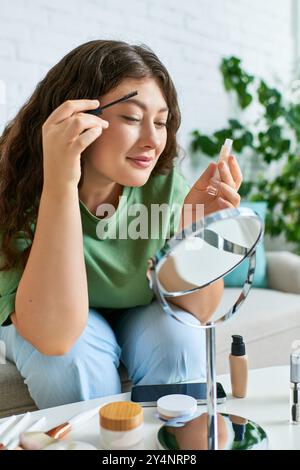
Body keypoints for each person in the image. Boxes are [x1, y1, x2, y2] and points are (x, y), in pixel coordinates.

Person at [0, 40, 242, 409]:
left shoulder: (162, 183)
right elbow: (54, 336)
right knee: (71, 364)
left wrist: (198, 230)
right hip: (52, 321)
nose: (152, 141)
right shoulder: (15, 190)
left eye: (160, 122)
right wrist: (61, 184)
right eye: (131, 118)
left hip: (140, 311)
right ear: (75, 116)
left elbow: (199, 310)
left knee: (181, 340)